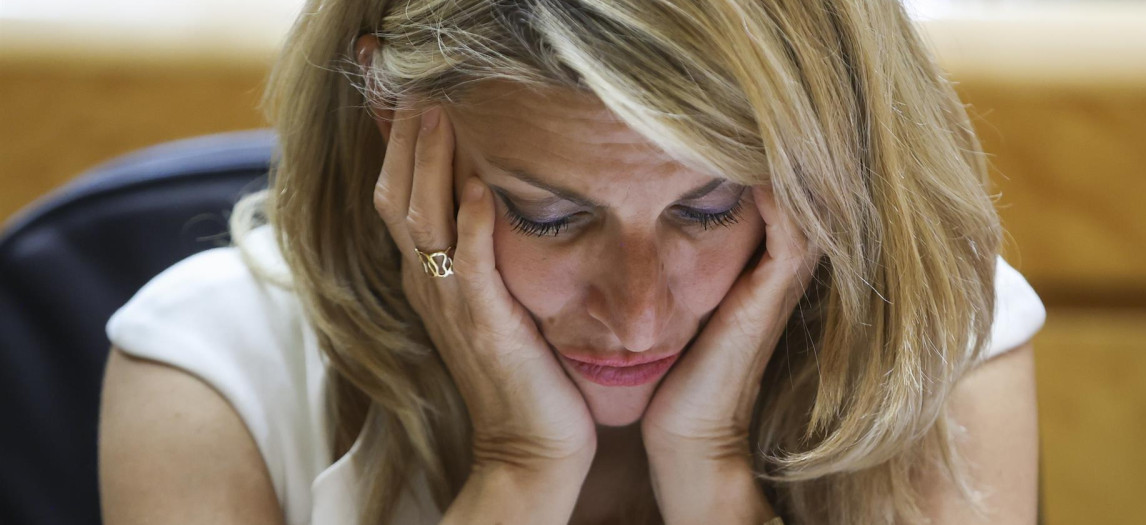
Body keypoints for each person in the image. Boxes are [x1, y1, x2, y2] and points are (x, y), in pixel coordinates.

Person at [97, 1, 1045, 524]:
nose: (638, 313)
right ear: (397, 119)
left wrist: (714, 479)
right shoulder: (206, 371)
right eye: (549, 216)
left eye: (706, 208)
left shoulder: (944, 339)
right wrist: (518, 471)